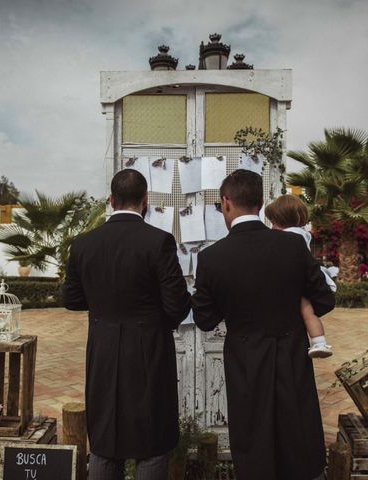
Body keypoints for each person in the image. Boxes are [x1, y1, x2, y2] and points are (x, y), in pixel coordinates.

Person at [192, 169, 335, 480]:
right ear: (259, 203)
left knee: (252, 441)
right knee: (298, 439)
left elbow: (204, 320)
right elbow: (324, 300)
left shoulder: (212, 258)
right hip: (291, 358)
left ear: (226, 202)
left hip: (245, 363)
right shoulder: (293, 247)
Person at [63, 169, 191, 480]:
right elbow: (176, 304)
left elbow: (72, 299)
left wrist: (105, 310)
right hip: (149, 350)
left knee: (105, 439)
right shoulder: (158, 242)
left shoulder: (83, 244)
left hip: (103, 349)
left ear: (110, 200)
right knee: (151, 440)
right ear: (145, 201)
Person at [264, 194, 336, 358]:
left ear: (281, 220)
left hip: (298, 281)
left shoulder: (290, 237)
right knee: (307, 312)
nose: (272, 227)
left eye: (273, 222)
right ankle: (319, 341)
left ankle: (319, 341)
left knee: (307, 311)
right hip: (302, 279)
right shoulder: (302, 233)